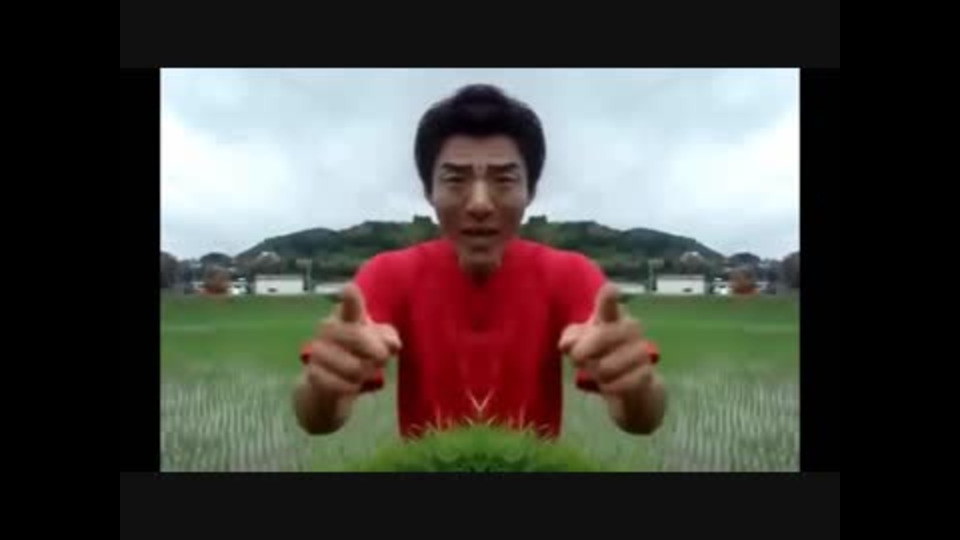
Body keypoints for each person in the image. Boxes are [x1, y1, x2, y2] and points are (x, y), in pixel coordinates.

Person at [293, 84, 666, 439]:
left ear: (531, 191)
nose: (480, 204)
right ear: (428, 191)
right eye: (456, 180)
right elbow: (319, 419)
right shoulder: (389, 274)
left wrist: (635, 385)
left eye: (504, 180)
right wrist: (324, 385)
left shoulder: (570, 274)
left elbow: (641, 419)